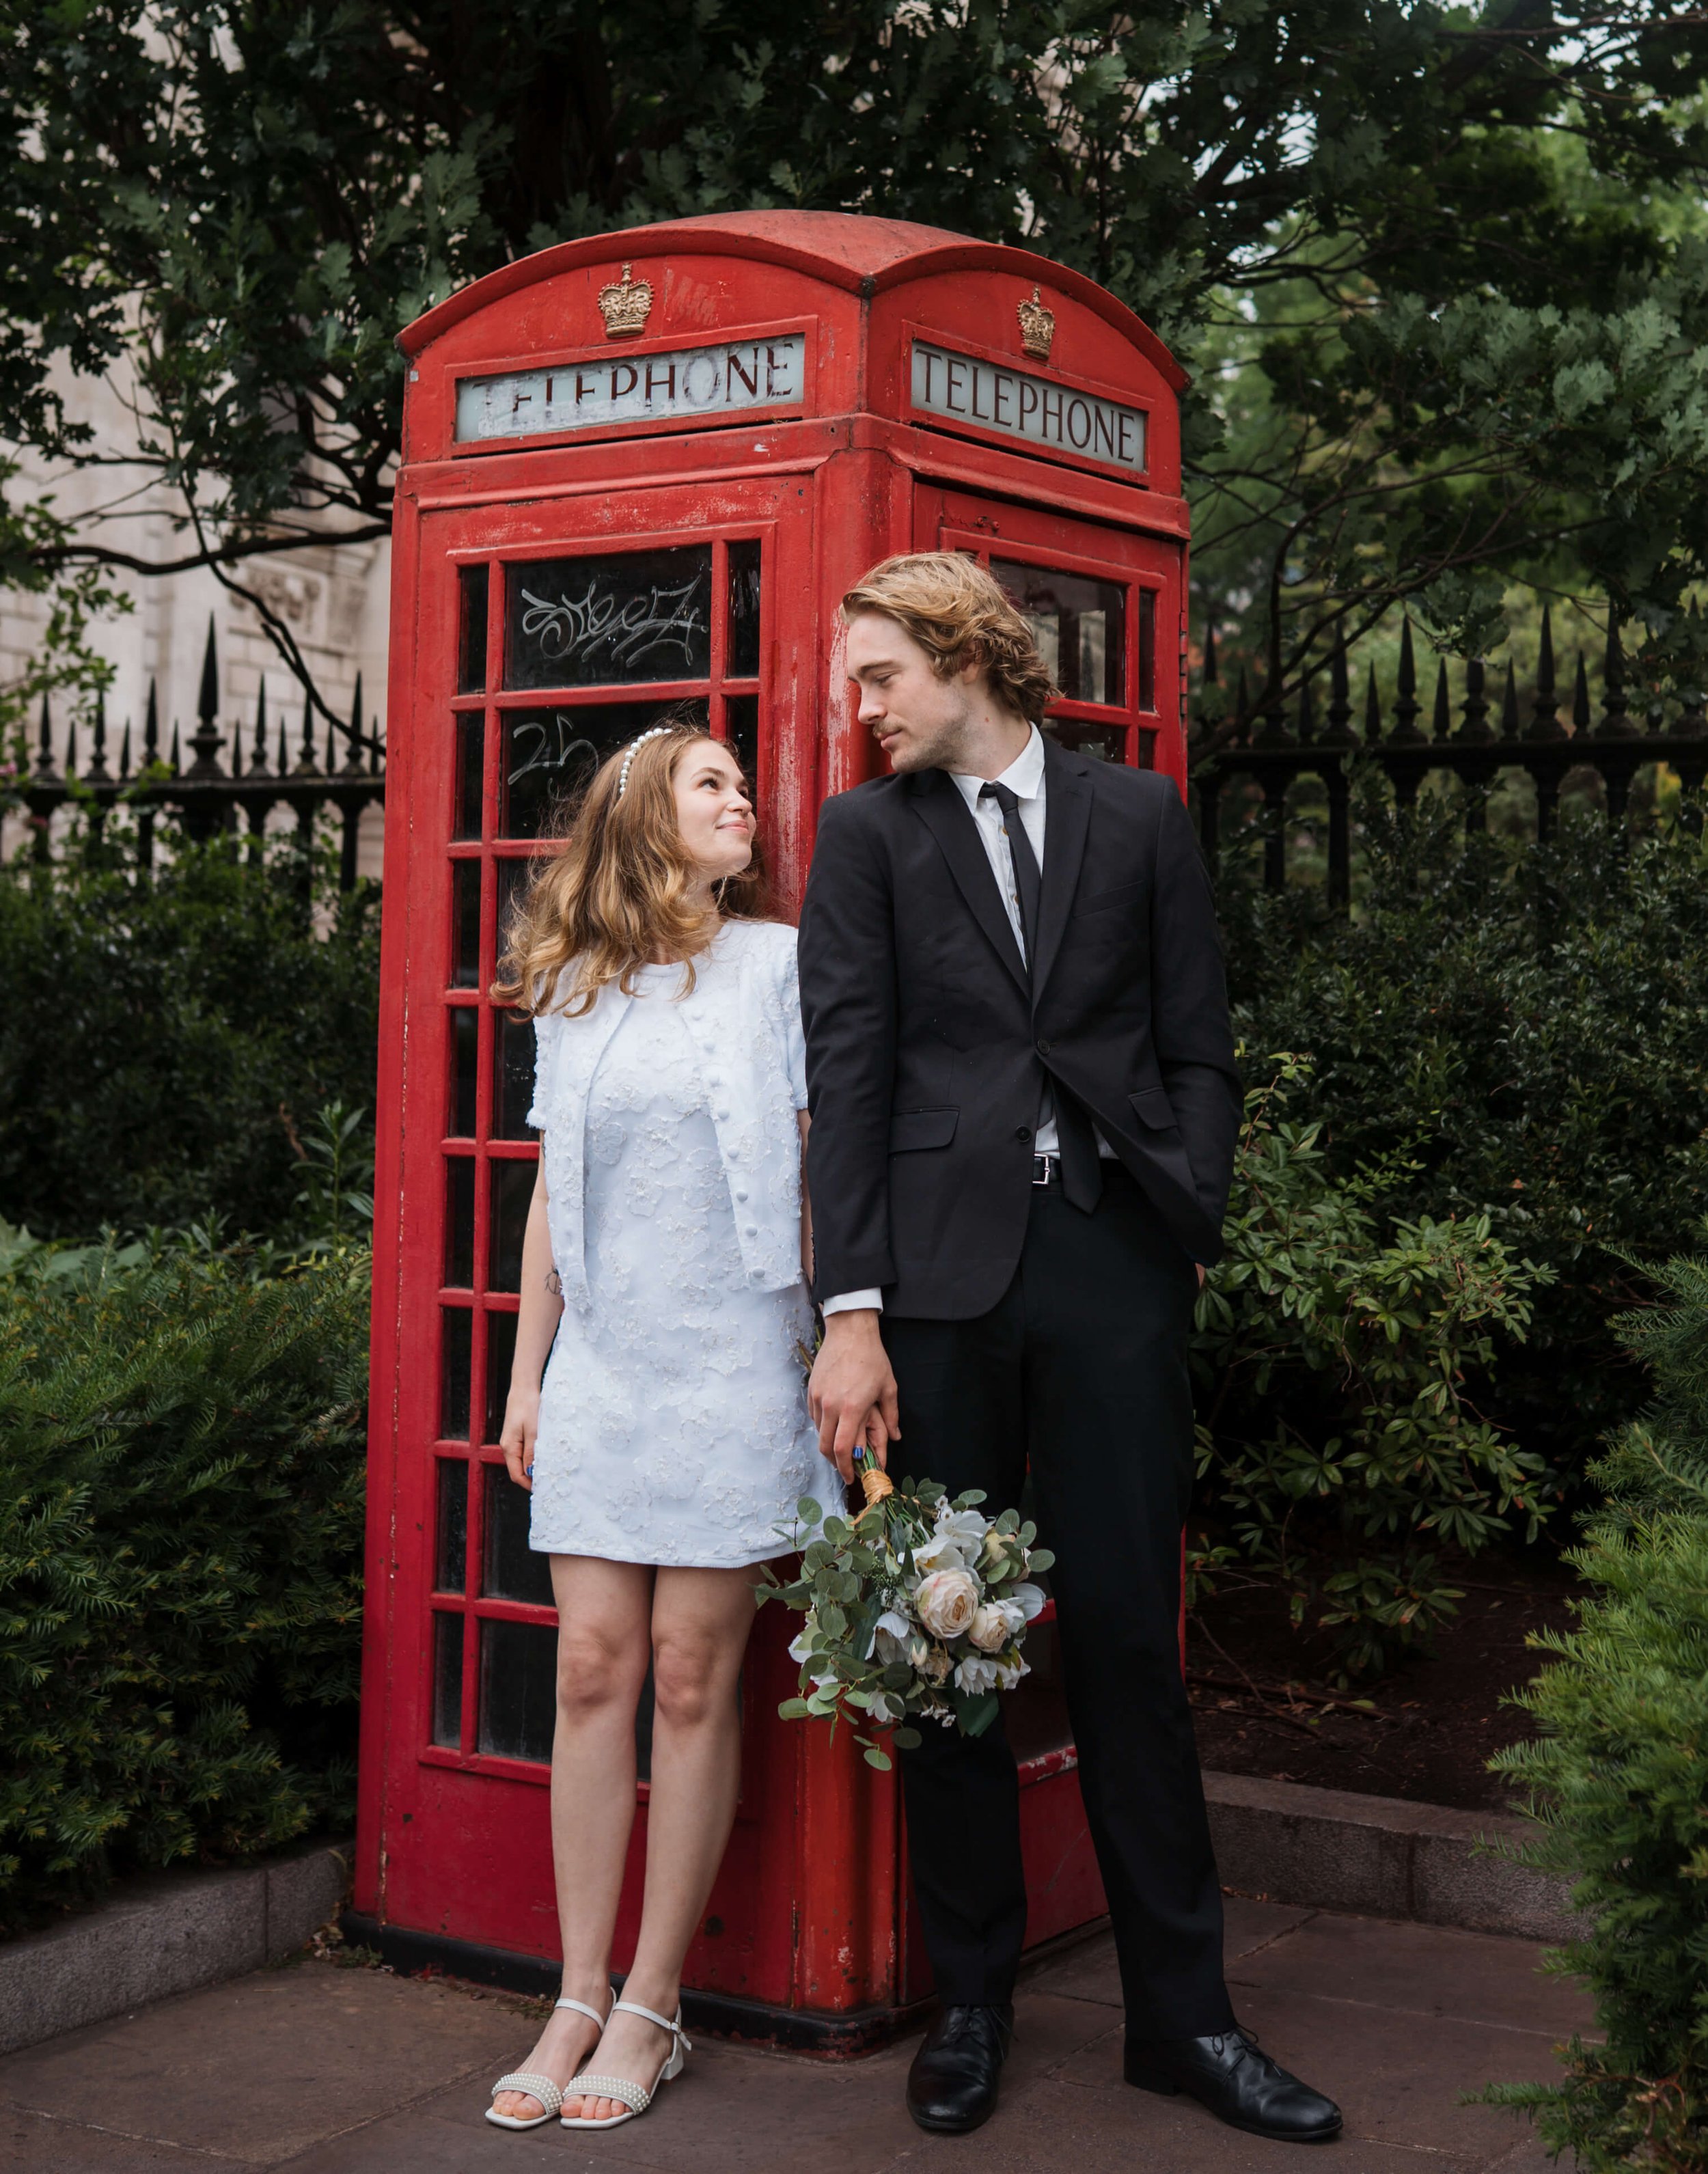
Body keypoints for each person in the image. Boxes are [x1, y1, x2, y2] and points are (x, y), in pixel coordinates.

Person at [798, 554, 1342, 2145]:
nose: (863, 704)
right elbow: (850, 1073)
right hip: (935, 1293)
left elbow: (1194, 1039)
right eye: (856, 679)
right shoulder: (863, 836)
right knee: (949, 1654)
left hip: (1109, 1263)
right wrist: (850, 1314)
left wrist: (1191, 1200)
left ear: (969, 658)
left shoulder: (1137, 816)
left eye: (881, 672)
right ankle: (970, 2001)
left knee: (1122, 1642)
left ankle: (1184, 2020)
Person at [483, 720, 823, 2134]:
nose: (739, 800)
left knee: (691, 1680)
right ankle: (571, 1989)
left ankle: (650, 2001)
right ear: (640, 817)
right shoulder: (573, 987)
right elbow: (553, 1191)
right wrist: (524, 1378)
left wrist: (842, 1342)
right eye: (710, 784)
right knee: (589, 1674)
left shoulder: (777, 966)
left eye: (742, 786)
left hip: (739, 1355)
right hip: (609, 1368)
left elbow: (822, 1159)